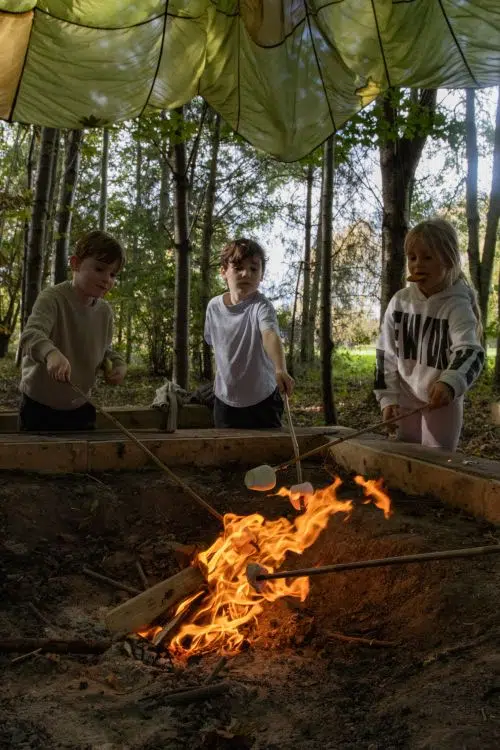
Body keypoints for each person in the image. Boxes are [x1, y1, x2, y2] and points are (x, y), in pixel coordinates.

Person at [374, 217, 484, 451]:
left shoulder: (457, 304)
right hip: (405, 395)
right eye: (412, 257)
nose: (417, 265)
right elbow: (385, 354)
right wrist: (387, 398)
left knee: (438, 459)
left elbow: (470, 351)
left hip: (442, 401)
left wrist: (450, 382)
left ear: (448, 259)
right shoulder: (400, 302)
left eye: (427, 257)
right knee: (405, 454)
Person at [19, 230, 127, 431]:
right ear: (75, 263)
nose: (107, 279)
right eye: (99, 269)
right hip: (39, 406)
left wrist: (118, 364)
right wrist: (51, 354)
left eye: (113, 274)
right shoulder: (52, 298)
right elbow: (30, 336)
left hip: (81, 405)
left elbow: (104, 349)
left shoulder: (105, 312)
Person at [204, 238, 294, 429]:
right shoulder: (213, 307)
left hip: (264, 399)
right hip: (225, 400)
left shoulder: (262, 306)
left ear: (262, 275)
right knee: (226, 446)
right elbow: (217, 347)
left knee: (267, 446)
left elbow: (270, 335)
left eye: (254, 269)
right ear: (223, 271)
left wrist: (280, 368)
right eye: (238, 268)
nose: (246, 273)